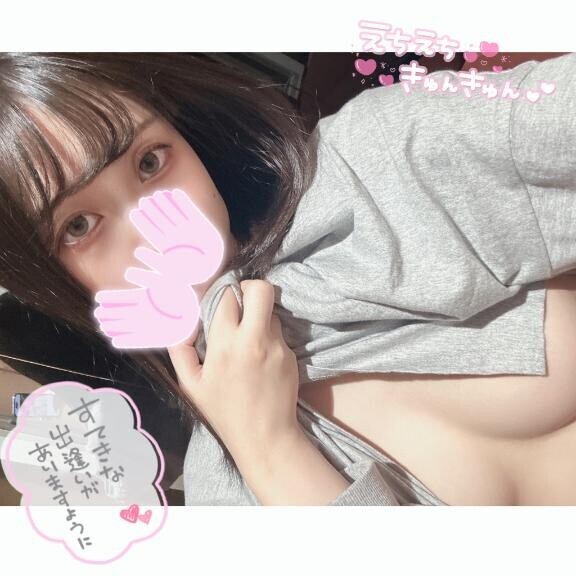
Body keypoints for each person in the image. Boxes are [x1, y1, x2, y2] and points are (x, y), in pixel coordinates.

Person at [1, 52, 576, 505]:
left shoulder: (369, 170)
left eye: (150, 161)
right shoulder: (226, 490)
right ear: (52, 282)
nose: (153, 226)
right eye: (79, 226)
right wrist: (271, 454)